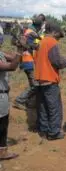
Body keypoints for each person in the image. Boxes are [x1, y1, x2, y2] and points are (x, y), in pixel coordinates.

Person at [34, 22, 66, 140]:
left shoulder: (42, 41)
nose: (58, 38)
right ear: (54, 32)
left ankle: (44, 129)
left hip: (40, 79)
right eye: (58, 35)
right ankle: (54, 133)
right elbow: (56, 62)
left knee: (43, 106)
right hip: (50, 80)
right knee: (54, 107)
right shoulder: (51, 42)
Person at [0, 31, 24, 161]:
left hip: (3, 97)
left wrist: (19, 48)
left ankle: (2, 152)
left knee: (3, 125)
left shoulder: (1, 53)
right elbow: (12, 66)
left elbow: (12, 57)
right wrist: (20, 50)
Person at [14, 17, 43, 110]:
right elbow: (37, 42)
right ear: (38, 26)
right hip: (28, 60)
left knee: (33, 85)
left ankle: (30, 102)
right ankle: (19, 100)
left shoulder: (27, 30)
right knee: (35, 86)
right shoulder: (32, 32)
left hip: (24, 60)